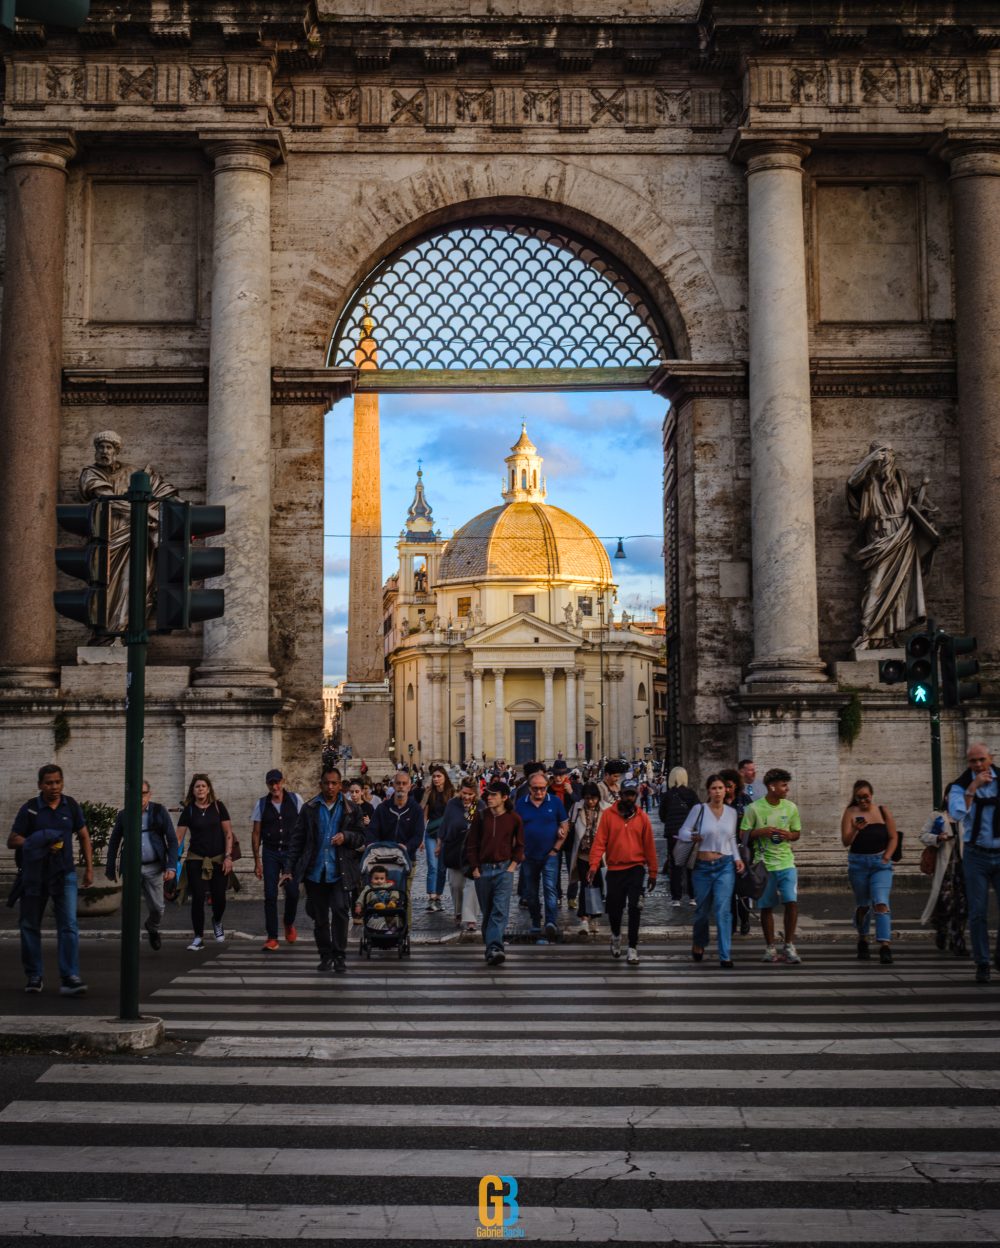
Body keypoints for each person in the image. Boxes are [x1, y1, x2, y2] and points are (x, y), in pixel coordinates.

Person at [78, 429, 179, 641]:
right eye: (101, 447)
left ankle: (125, 634)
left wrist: (171, 506)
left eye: (109, 448)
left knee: (139, 582)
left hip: (137, 539)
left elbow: (163, 490)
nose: (104, 452)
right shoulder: (90, 473)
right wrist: (146, 512)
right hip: (108, 539)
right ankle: (107, 636)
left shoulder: (133, 472)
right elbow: (109, 499)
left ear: (116, 451)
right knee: (106, 586)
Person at [8, 764, 93, 995]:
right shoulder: (31, 809)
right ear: (40, 785)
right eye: (48, 783)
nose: (53, 787)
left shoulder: (71, 806)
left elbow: (84, 835)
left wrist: (89, 868)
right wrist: (38, 840)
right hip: (34, 876)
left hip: (64, 873)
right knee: (29, 925)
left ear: (62, 783)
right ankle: (34, 975)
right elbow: (12, 840)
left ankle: (70, 976)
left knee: (69, 926)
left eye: (57, 782)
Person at [282, 766, 366, 974]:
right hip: (315, 871)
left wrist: (346, 836)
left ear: (340, 785)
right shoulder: (310, 808)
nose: (330, 787)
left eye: (334, 783)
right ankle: (325, 955)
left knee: (340, 911)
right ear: (321, 784)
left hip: (340, 870)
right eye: (326, 783)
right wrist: (289, 869)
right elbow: (297, 840)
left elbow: (362, 837)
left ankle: (339, 955)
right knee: (319, 917)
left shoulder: (351, 809)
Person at [676, 774, 745, 968]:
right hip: (702, 867)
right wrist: (692, 836)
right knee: (702, 912)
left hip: (725, 864)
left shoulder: (731, 813)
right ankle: (699, 942)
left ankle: (725, 954)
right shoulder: (699, 810)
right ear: (708, 791)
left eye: (721, 788)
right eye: (714, 788)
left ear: (726, 791)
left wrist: (738, 859)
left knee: (723, 910)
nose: (717, 792)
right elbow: (682, 831)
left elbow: (731, 838)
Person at [587, 779, 657, 965]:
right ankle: (616, 935)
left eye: (632, 794)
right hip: (615, 869)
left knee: (635, 908)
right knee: (615, 910)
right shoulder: (608, 815)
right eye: (626, 794)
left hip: (636, 869)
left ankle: (633, 948)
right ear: (621, 795)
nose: (629, 797)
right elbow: (600, 842)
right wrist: (594, 865)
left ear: (636, 796)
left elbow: (649, 846)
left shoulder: (643, 818)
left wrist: (653, 872)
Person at [946, 742, 1000, 983]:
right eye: (973, 761)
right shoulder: (960, 786)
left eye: (981, 760)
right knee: (978, 912)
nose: (978, 765)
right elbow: (957, 814)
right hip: (976, 855)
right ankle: (982, 962)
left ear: (991, 758)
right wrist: (972, 788)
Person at [106, 779, 177, 950]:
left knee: (158, 908)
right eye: (136, 794)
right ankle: (132, 942)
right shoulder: (124, 815)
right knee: (130, 907)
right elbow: (115, 840)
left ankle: (152, 927)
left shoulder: (159, 811)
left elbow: (172, 839)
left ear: (149, 795)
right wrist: (110, 866)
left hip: (154, 867)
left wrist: (171, 866)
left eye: (143, 793)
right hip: (132, 868)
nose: (140, 798)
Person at [740, 767, 802, 964]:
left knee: (791, 902)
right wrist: (762, 832)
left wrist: (788, 835)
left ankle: (789, 945)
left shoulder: (791, 808)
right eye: (784, 785)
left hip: (786, 862)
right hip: (764, 865)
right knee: (766, 907)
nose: (787, 789)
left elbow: (797, 833)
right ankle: (770, 947)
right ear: (772, 787)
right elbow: (743, 835)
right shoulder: (754, 809)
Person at [841, 779, 898, 964]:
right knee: (863, 905)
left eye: (866, 797)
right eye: (859, 798)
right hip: (858, 864)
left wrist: (887, 857)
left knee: (881, 902)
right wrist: (856, 830)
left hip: (880, 864)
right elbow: (845, 842)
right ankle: (863, 938)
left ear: (871, 795)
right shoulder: (850, 812)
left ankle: (885, 945)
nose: (863, 800)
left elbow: (893, 836)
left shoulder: (882, 811)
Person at [467, 780, 525, 966]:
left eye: (493, 795)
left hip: (503, 870)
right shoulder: (481, 816)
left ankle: (494, 947)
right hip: (483, 870)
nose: (489, 798)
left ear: (504, 798)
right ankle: (491, 947)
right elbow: (472, 844)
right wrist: (475, 868)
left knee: (499, 911)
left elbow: (520, 845)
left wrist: (512, 866)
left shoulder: (514, 818)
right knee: (488, 913)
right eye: (488, 795)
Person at [176, 774, 234, 951]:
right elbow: (178, 838)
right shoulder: (189, 810)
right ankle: (198, 937)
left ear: (208, 789)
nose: (200, 789)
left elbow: (228, 834)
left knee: (219, 898)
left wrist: (228, 857)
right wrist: (172, 862)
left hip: (218, 860)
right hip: (196, 860)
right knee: (198, 898)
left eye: (203, 786)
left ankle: (217, 921)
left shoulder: (218, 807)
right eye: (197, 786)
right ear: (192, 791)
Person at [251, 769, 305, 952]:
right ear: (267, 785)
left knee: (293, 892)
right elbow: (256, 833)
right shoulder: (261, 804)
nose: (275, 786)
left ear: (283, 781)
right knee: (270, 895)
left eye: (277, 782)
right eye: (271, 783)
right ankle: (272, 937)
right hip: (271, 852)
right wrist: (257, 861)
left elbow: (304, 826)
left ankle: (288, 922)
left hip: (291, 852)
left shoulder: (296, 800)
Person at [515, 770, 569, 943]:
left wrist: (556, 848)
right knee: (530, 892)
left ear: (547, 787)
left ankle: (551, 922)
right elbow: (514, 830)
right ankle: (536, 921)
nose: (539, 792)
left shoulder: (555, 802)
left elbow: (565, 825)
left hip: (550, 854)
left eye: (542, 788)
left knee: (550, 890)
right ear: (529, 788)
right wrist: (519, 852)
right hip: (528, 856)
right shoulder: (520, 804)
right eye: (535, 788)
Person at [919, 808, 967, 957]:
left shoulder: (967, 816)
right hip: (945, 869)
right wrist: (938, 838)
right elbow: (923, 836)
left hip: (963, 869)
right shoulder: (937, 816)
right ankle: (941, 927)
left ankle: (957, 940)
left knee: (962, 907)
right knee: (946, 905)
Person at [438, 775, 484, 931]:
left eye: (470, 794)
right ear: (460, 791)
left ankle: (470, 918)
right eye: (464, 793)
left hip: (474, 852)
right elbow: (445, 825)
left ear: (475, 794)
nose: (466, 797)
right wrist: (439, 844)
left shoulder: (480, 806)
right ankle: (458, 912)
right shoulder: (452, 804)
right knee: (456, 884)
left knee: (472, 885)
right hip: (454, 849)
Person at [567, 782, 609, 938]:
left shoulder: (606, 809)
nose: (591, 802)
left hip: (600, 856)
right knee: (586, 885)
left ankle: (594, 918)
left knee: (597, 886)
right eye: (588, 798)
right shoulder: (576, 809)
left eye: (594, 799)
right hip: (582, 855)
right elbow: (570, 827)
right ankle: (584, 918)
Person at [658, 766, 698, 909]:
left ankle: (676, 898)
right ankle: (693, 896)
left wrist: (671, 823)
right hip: (689, 835)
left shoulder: (668, 795)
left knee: (675, 866)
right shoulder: (692, 794)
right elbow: (698, 812)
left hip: (673, 834)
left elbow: (662, 815)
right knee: (691, 866)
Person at [369, 770, 425, 865]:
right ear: (393, 785)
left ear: (409, 787)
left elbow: (418, 835)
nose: (401, 786)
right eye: (398, 783)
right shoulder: (382, 808)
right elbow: (372, 830)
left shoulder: (416, 809)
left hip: (406, 858)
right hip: (383, 858)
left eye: (404, 783)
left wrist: (407, 847)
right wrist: (372, 844)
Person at [421, 765, 453, 913]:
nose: (436, 779)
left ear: (445, 777)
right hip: (431, 834)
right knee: (432, 866)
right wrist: (421, 836)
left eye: (439, 776)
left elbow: (461, 811)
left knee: (441, 868)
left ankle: (438, 896)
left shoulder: (451, 793)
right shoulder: (429, 793)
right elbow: (424, 814)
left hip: (446, 835)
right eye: (434, 776)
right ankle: (431, 897)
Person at [354, 865, 402, 932]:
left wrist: (393, 900)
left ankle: (393, 930)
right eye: (376, 879)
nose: (379, 881)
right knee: (375, 921)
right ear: (371, 879)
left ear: (385, 879)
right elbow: (362, 897)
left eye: (382, 879)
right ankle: (381, 930)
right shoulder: (369, 888)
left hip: (389, 908)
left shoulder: (390, 886)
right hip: (375, 910)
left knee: (396, 917)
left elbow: (395, 893)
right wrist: (359, 905)